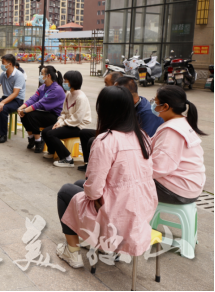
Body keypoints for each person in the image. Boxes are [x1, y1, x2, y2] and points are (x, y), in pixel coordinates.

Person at [56, 86, 157, 268]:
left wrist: (95, 199)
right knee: (79, 184)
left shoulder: (105, 141)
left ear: (103, 110)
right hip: (142, 208)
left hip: (117, 213)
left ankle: (72, 253)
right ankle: (102, 245)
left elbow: (94, 190)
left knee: (65, 192)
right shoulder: (143, 136)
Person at [77, 76, 164, 172]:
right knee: (85, 133)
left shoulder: (146, 113)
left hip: (133, 145)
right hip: (123, 135)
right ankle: (88, 165)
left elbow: (143, 142)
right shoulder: (128, 104)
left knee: (94, 141)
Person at [150, 85, 206, 205]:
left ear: (165, 106)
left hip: (178, 191)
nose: (153, 105)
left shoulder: (171, 131)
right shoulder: (183, 122)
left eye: (155, 102)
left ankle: (131, 221)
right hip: (191, 185)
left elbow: (160, 167)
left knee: (129, 184)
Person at [41, 71, 92, 168]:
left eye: (66, 81)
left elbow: (77, 119)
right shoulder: (69, 94)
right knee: (45, 131)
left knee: (51, 134)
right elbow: (63, 112)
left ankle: (67, 159)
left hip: (78, 126)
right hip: (68, 123)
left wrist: (62, 123)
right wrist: (59, 122)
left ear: (73, 82)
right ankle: (52, 152)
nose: (64, 83)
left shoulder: (81, 97)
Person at [17, 66, 66, 153]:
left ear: (48, 76)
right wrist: (21, 108)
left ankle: (38, 141)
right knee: (24, 114)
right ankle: (31, 138)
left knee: (31, 114)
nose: (40, 75)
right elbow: (33, 99)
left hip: (55, 117)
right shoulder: (42, 87)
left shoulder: (57, 89)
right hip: (45, 113)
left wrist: (24, 110)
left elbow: (40, 104)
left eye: (42, 74)